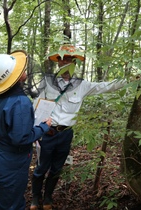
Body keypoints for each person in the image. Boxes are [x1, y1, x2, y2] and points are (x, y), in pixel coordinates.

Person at [30, 44, 126, 210]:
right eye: (62, 60)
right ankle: (35, 198)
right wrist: (35, 132)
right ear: (58, 62)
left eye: (69, 60)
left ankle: (47, 198)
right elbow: (35, 106)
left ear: (74, 63)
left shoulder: (82, 85)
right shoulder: (47, 82)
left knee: (56, 168)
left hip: (66, 134)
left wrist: (129, 81)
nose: (66, 63)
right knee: (41, 167)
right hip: (47, 133)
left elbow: (105, 86)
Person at [0, 50, 52, 210]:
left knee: (5, 197)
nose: (24, 71)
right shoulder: (20, 102)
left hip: (2, 157)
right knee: (12, 203)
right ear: (12, 77)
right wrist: (44, 127)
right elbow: (21, 138)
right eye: (18, 70)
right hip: (13, 162)